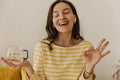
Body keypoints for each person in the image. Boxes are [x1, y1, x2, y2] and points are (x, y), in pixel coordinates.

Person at [0, 0, 110, 80]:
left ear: (74, 18)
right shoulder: (42, 47)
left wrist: (90, 66)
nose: (61, 17)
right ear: (52, 22)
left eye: (66, 12)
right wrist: (27, 66)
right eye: (56, 15)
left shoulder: (86, 47)